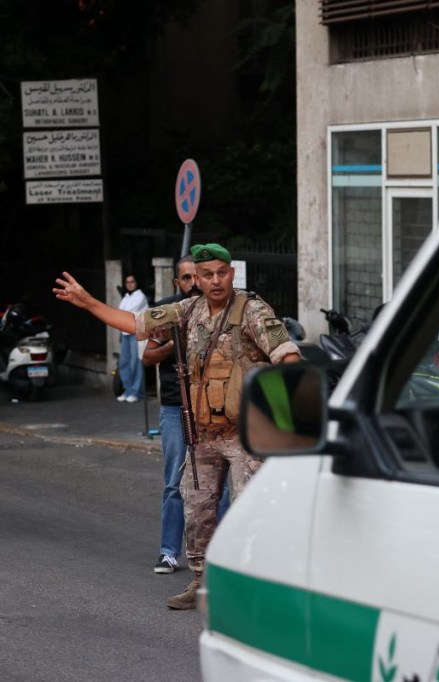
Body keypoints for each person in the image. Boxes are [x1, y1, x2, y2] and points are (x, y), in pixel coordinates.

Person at [54, 243, 301, 609]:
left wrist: (286, 417)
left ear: (232, 273)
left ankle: (257, 587)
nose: (216, 280)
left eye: (222, 272)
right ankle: (201, 583)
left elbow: (289, 359)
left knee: (252, 512)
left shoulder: (252, 311)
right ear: (196, 279)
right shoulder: (186, 311)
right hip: (202, 434)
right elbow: (136, 324)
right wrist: (88, 301)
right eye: (207, 274)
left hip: (246, 433)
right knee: (197, 510)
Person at [141, 255, 229, 575]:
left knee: (219, 482)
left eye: (199, 276)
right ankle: (168, 552)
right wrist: (173, 342)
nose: (194, 283)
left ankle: (223, 552)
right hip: (175, 406)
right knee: (175, 481)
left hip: (211, 407)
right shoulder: (167, 311)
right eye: (187, 278)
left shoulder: (221, 310)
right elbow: (148, 357)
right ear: (177, 282)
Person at [116, 274, 148, 402]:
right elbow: (119, 312)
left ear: (136, 283)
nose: (129, 284)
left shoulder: (140, 296)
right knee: (124, 362)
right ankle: (128, 390)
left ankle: (136, 392)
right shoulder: (126, 297)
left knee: (136, 362)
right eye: (127, 282)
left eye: (132, 281)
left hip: (136, 332)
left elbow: (128, 312)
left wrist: (122, 313)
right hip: (125, 333)